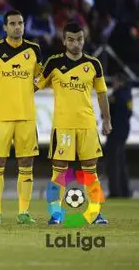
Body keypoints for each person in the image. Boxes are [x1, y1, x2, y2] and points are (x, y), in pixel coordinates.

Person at [0, 10, 43, 225]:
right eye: (12, 23)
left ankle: (23, 212)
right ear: (5, 27)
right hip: (2, 116)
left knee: (26, 163)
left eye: (20, 23)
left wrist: (28, 88)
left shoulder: (34, 50)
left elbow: (41, 77)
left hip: (26, 116)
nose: (17, 27)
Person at [37, 22, 111, 225]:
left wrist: (106, 119)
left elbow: (102, 93)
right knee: (59, 171)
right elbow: (35, 85)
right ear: (63, 41)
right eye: (70, 39)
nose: (75, 43)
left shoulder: (94, 64)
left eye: (79, 39)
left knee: (91, 171)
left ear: (84, 39)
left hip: (87, 125)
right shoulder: (53, 63)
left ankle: (95, 214)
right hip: (63, 126)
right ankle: (56, 214)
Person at [106, 72, 132, 198]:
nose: (113, 84)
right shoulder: (128, 95)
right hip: (123, 132)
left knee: (114, 162)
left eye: (115, 81)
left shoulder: (116, 96)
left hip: (115, 132)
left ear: (120, 82)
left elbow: (108, 112)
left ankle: (116, 191)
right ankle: (125, 190)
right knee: (121, 161)